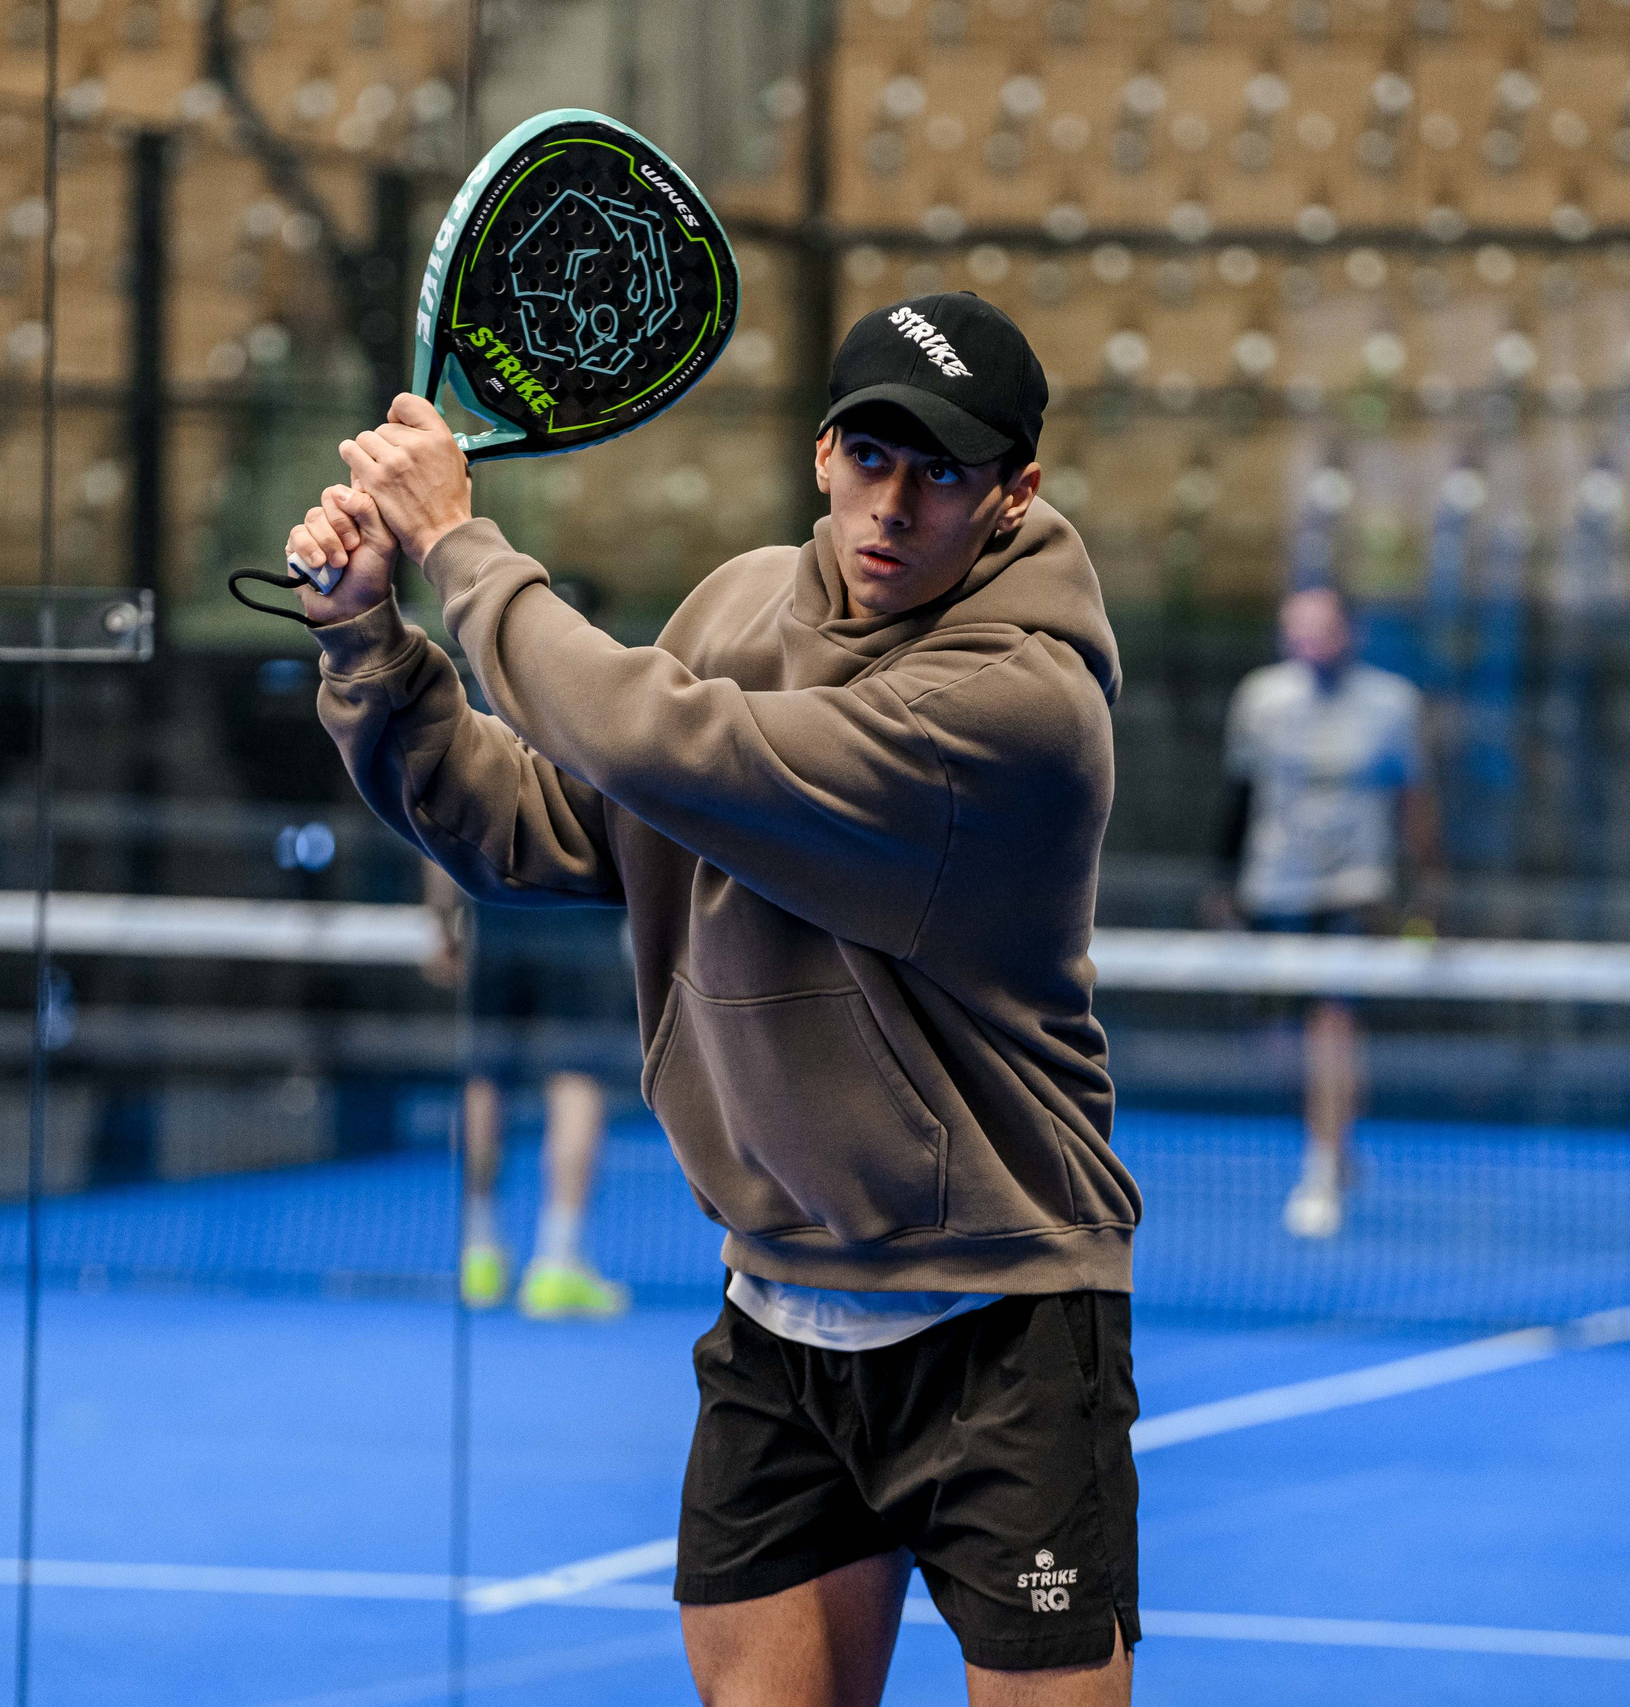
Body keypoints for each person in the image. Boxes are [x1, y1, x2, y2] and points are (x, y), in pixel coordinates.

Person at [291, 291, 1138, 1705]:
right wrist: (368, 638)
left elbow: (674, 747)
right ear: (822, 453)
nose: (895, 503)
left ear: (1013, 494)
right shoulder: (733, 605)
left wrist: (456, 542)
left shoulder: (1024, 705)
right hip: (776, 1317)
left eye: (943, 471)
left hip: (1004, 1322)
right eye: (872, 455)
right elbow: (543, 821)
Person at [1212, 585, 1439, 1240]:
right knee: (1280, 1036)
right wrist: (1220, 879)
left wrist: (1427, 886)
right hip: (1274, 886)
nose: (1307, 641)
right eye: (1296, 630)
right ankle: (1336, 1137)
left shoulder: (1393, 704)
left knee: (1333, 1022)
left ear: (1351, 633)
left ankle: (1318, 1171)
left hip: (1355, 886)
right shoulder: (1260, 699)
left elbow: (1415, 799)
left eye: (1320, 628)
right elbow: (1240, 790)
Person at [424, 860, 634, 1320]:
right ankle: (558, 1263)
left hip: (492, 907)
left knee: (482, 1077)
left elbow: (436, 806)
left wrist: (441, 919)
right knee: (577, 1074)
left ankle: (477, 1257)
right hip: (582, 911)